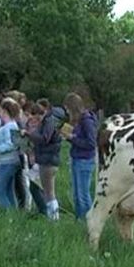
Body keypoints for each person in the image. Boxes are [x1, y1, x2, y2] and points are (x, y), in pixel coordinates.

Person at [22, 99, 63, 220]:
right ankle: (52, 216)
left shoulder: (48, 122)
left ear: (40, 114)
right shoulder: (50, 121)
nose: (36, 120)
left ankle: (54, 218)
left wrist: (29, 134)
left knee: (49, 193)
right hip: (49, 159)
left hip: (48, 160)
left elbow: (45, 139)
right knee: (49, 191)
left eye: (36, 117)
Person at [62, 92, 97, 220]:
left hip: (85, 160)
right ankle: (79, 219)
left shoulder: (87, 121)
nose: (66, 112)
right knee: (76, 193)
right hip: (77, 158)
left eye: (67, 109)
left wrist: (73, 138)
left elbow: (91, 143)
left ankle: (88, 219)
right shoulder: (77, 121)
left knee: (83, 194)